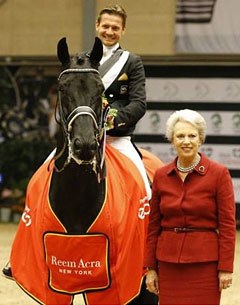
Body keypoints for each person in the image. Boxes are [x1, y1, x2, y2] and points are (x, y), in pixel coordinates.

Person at [144, 109, 236, 305]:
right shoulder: (161, 175)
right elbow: (153, 226)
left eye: (192, 135)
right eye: (180, 136)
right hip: (168, 265)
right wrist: (150, 268)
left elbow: (228, 226)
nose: (186, 141)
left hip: (205, 265)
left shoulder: (219, 174)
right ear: (172, 141)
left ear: (200, 139)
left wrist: (226, 268)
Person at [95, 4, 151, 200]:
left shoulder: (132, 62)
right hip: (84, 138)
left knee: (145, 188)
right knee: (45, 171)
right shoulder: (81, 60)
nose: (109, 32)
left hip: (117, 138)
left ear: (123, 30)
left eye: (115, 28)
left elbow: (138, 104)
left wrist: (111, 120)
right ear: (97, 26)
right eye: (106, 26)